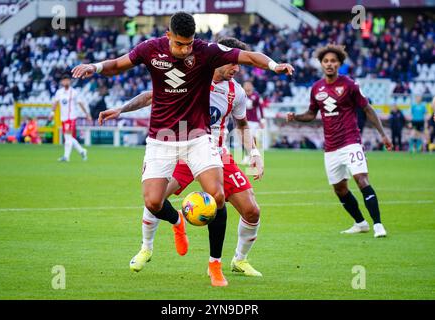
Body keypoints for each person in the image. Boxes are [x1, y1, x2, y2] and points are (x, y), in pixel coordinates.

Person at [72, 12, 293, 286]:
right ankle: (170, 225)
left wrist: (274, 66)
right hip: (162, 139)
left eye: (189, 44)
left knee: (218, 196)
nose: (185, 49)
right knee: (153, 202)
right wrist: (95, 68)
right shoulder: (151, 50)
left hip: (200, 140)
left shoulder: (206, 54)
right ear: (167, 36)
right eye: (179, 44)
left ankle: (216, 265)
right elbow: (120, 65)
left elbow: (250, 57)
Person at [99, 37, 264, 281]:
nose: (237, 69)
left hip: (216, 153)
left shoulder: (236, 92)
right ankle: (146, 247)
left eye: (239, 65)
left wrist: (254, 153)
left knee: (251, 211)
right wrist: (122, 109)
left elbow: (241, 125)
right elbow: (150, 96)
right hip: (180, 151)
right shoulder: (191, 74)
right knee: (155, 199)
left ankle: (239, 260)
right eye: (233, 63)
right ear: (220, 58)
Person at [287, 44, 392, 238]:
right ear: (321, 64)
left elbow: (367, 109)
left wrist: (383, 134)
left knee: (361, 180)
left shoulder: (350, 85)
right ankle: (360, 223)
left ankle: (378, 225)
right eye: (326, 61)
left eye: (333, 61)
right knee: (340, 188)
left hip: (351, 141)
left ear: (339, 64)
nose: (329, 64)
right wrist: (296, 117)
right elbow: (311, 114)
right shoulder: (317, 87)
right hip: (331, 147)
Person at [52, 73, 91, 162]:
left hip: (71, 117)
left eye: (67, 80)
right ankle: (82, 151)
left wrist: (87, 114)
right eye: (64, 80)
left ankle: (66, 157)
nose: (66, 82)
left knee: (68, 137)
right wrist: (51, 113)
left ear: (70, 81)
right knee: (69, 138)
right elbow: (55, 103)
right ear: (62, 82)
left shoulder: (74, 92)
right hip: (63, 118)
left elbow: (81, 103)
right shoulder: (59, 92)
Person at [242, 81, 264, 163]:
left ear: (251, 86)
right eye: (245, 85)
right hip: (244, 120)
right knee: (245, 138)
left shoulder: (256, 96)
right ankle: (247, 155)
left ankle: (253, 155)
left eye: (248, 85)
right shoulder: (241, 95)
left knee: (252, 138)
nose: (247, 86)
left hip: (254, 121)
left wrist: (262, 120)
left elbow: (260, 108)